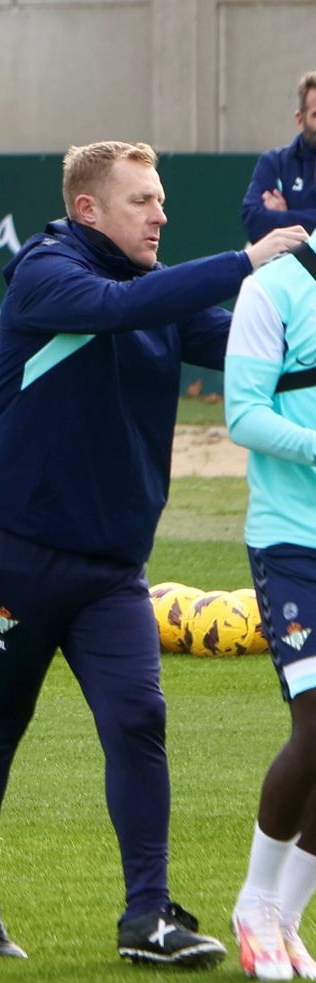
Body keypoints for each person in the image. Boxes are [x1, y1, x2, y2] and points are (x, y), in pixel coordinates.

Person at [0, 140, 308, 964]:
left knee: (139, 719)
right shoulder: (44, 271)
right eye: (142, 200)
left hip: (112, 567)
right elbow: (114, 308)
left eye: (161, 199)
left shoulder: (157, 290)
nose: (160, 214)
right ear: (87, 208)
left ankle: (149, 916)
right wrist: (247, 261)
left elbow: (255, 349)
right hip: (16, 551)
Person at [226, 241, 316, 980]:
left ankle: (285, 916)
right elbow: (244, 415)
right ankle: (255, 903)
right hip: (292, 540)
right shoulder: (274, 290)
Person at [242, 72, 316, 242]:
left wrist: (285, 218)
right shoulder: (274, 163)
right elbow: (253, 220)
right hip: (285, 260)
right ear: (300, 120)